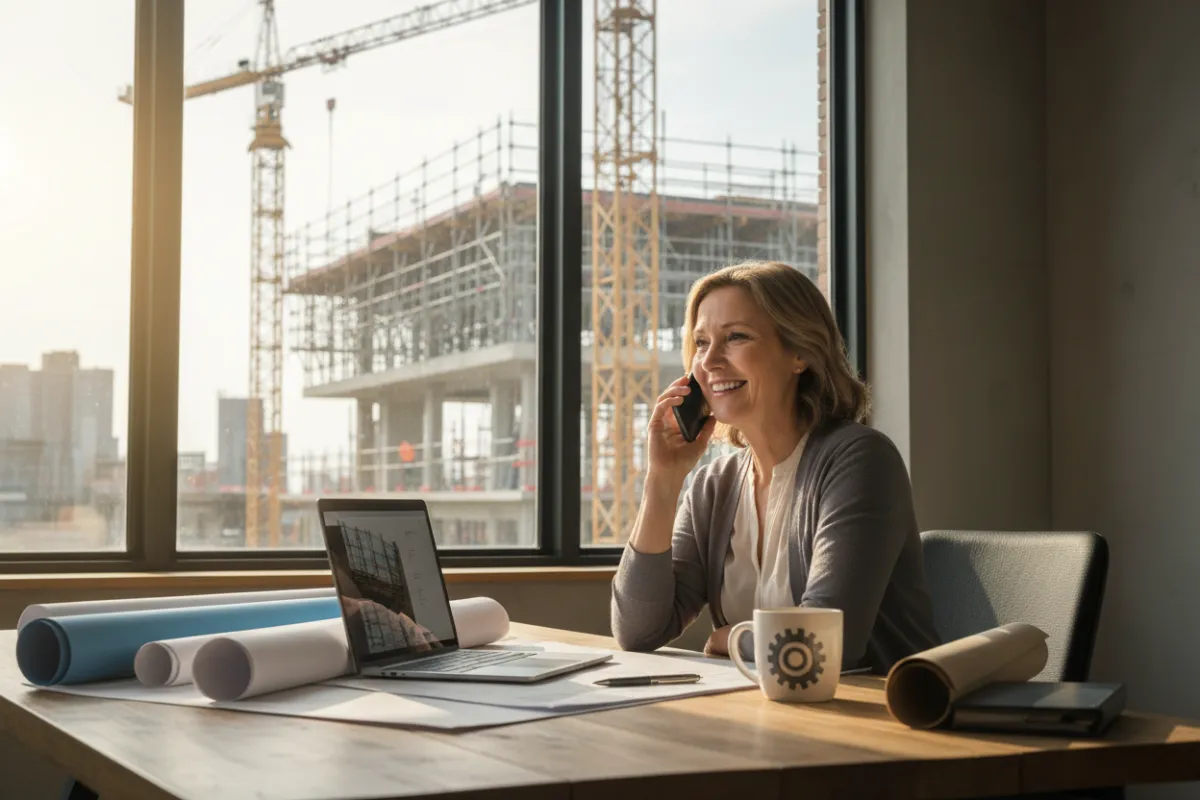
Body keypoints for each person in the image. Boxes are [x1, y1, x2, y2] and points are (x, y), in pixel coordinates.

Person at [610, 261, 940, 673]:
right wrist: (662, 479)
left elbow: (821, 643)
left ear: (799, 352)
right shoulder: (713, 485)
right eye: (700, 343)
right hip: (765, 718)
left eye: (735, 337)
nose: (709, 361)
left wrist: (731, 637)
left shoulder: (860, 461)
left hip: (875, 720)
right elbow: (637, 631)